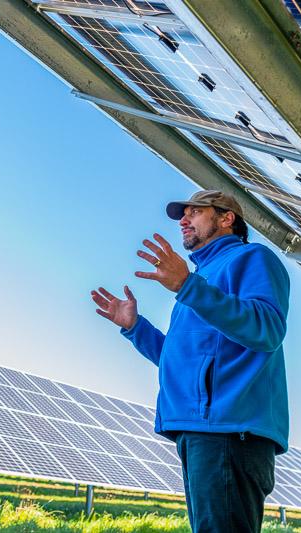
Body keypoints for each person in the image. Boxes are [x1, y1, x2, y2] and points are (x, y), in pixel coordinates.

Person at [91, 190, 290, 533]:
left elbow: (267, 329)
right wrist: (136, 328)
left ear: (227, 218)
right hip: (203, 429)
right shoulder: (200, 280)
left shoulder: (251, 258)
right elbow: (183, 359)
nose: (183, 220)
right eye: (183, 214)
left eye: (195, 212)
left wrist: (187, 285)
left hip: (230, 428)